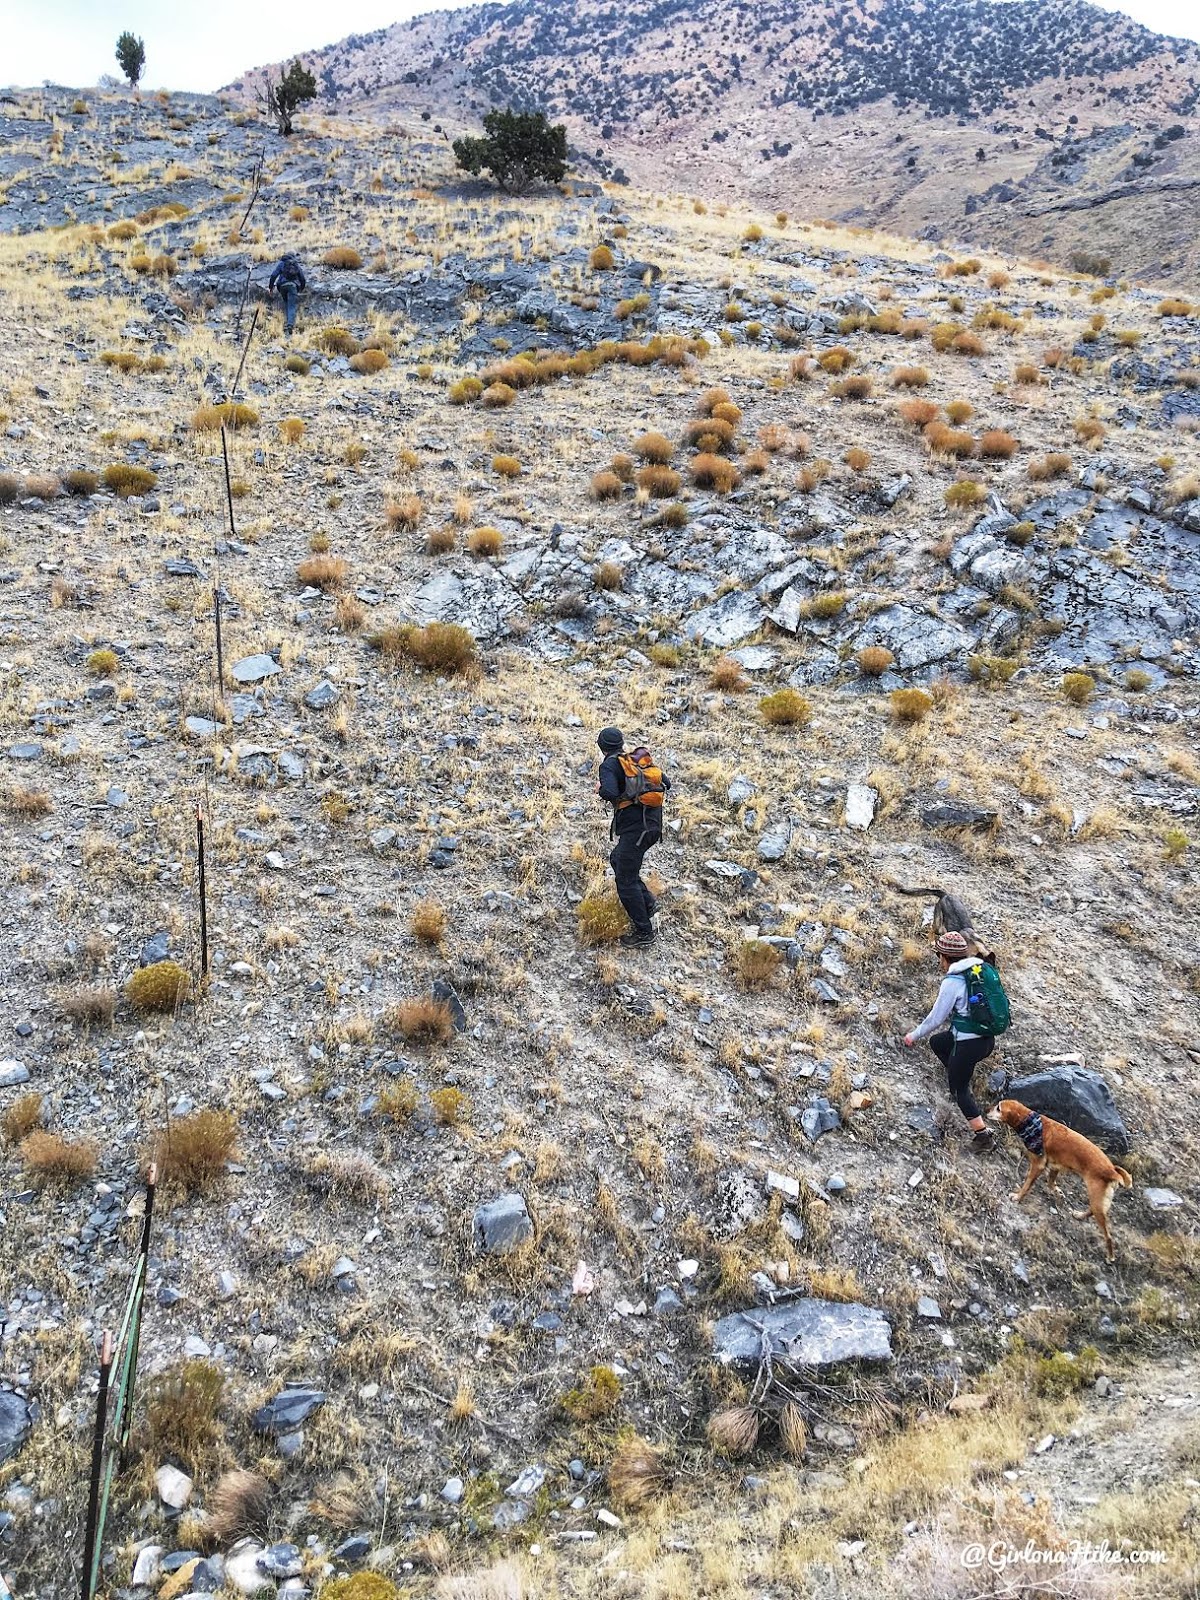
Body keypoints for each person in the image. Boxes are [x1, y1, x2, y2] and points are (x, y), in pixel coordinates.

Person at [903, 930, 998, 1153]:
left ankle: (983, 1137)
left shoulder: (953, 982)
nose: (939, 962)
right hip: (986, 1040)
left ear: (945, 958)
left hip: (968, 1045)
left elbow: (936, 1018)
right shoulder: (977, 970)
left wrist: (913, 1035)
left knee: (959, 1090)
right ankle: (959, 1072)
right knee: (938, 1043)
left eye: (939, 956)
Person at [596, 726, 670, 948]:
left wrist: (600, 788)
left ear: (601, 746)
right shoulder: (635, 761)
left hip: (636, 830)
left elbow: (608, 792)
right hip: (652, 826)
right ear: (620, 743)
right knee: (618, 859)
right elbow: (666, 782)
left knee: (625, 881)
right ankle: (647, 903)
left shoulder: (609, 764)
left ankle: (644, 933)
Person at [268, 252, 306, 335]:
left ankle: (286, 322)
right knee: (291, 305)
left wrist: (271, 287)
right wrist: (300, 289)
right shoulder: (295, 264)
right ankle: (290, 325)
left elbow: (273, 275)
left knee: (287, 304)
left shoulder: (282, 263)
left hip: (282, 286)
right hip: (293, 286)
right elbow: (302, 278)